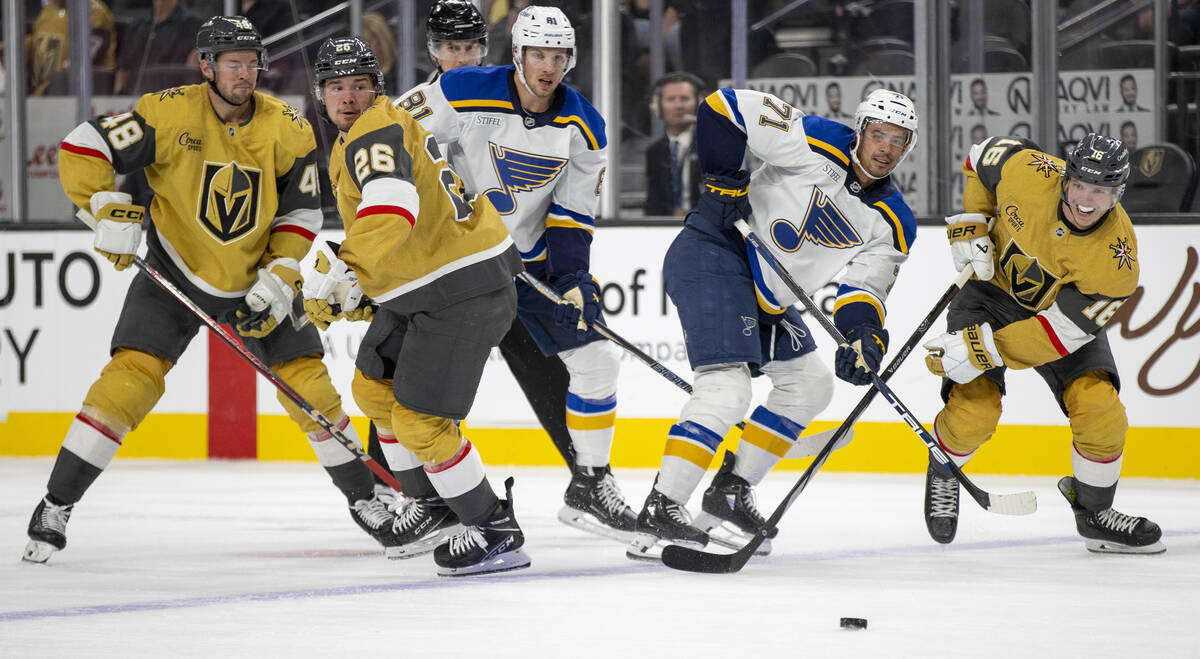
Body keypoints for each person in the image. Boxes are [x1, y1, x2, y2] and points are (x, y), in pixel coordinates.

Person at [23, 16, 403, 565]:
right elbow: (83, 147)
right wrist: (103, 206)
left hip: (259, 279)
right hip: (174, 269)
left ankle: (368, 501)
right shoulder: (166, 110)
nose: (244, 73)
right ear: (207, 66)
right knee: (128, 383)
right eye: (232, 63)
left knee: (312, 390)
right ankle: (56, 504)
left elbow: (300, 211)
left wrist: (280, 276)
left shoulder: (289, 126)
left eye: (251, 63)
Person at [627, 88, 920, 559]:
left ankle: (730, 491)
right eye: (879, 134)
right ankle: (664, 504)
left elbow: (863, 290)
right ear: (861, 130)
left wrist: (864, 335)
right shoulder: (815, 139)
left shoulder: (892, 220)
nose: (886, 147)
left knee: (810, 384)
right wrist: (724, 180)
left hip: (769, 297)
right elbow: (723, 107)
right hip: (716, 252)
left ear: (908, 148)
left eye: (898, 140)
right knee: (726, 388)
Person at [397, 5, 640, 543]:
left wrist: (575, 277)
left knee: (597, 359)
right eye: (538, 54)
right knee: (415, 379)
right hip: (452, 266)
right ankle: (417, 495)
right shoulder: (463, 89)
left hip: (526, 267)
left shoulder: (585, 124)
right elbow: (387, 133)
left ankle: (591, 485)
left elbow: (574, 213)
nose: (548, 66)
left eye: (559, 56)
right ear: (517, 54)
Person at [308, 35, 530, 576]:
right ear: (320, 95)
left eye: (359, 85)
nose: (348, 97)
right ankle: (433, 506)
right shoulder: (367, 132)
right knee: (373, 389)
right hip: (434, 285)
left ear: (376, 89)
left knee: (419, 421)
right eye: (336, 87)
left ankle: (495, 528)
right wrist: (371, 284)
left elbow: (393, 203)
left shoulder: (372, 132)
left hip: (462, 289)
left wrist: (349, 269)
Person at [921, 132, 1164, 554]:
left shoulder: (1117, 261)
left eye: (1102, 192)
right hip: (986, 295)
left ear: (1118, 193)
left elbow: (1058, 332)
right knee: (975, 413)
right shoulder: (1031, 170)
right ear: (1065, 177)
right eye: (1081, 186)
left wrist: (983, 349)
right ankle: (945, 469)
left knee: (1101, 410)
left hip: (1056, 321)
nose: (1087, 200)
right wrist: (973, 223)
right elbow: (980, 158)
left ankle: (1093, 513)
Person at [376, 0, 577, 506]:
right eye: (449, 47)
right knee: (410, 377)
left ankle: (591, 478)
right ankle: (398, 488)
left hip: (508, 268)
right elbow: (384, 158)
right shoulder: (417, 104)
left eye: (469, 46)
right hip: (439, 273)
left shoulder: (511, 98)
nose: (461, 56)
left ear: (487, 48)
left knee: (545, 368)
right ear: (431, 49)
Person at [643, 71, 703, 216]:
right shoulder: (654, 152)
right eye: (671, 99)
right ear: (658, 106)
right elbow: (653, 203)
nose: (678, 106)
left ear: (698, 102)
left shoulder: (711, 146)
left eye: (685, 99)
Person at [26, 0, 117, 96]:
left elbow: (92, 51)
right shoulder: (48, 10)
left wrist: (71, 65)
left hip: (77, 90)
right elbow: (34, 40)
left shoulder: (93, 11)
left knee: (62, 79)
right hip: (40, 92)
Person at [114, 0, 203, 95]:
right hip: (135, 99)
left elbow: (191, 73)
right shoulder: (137, 26)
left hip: (171, 99)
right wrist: (117, 98)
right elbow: (123, 69)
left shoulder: (194, 26)